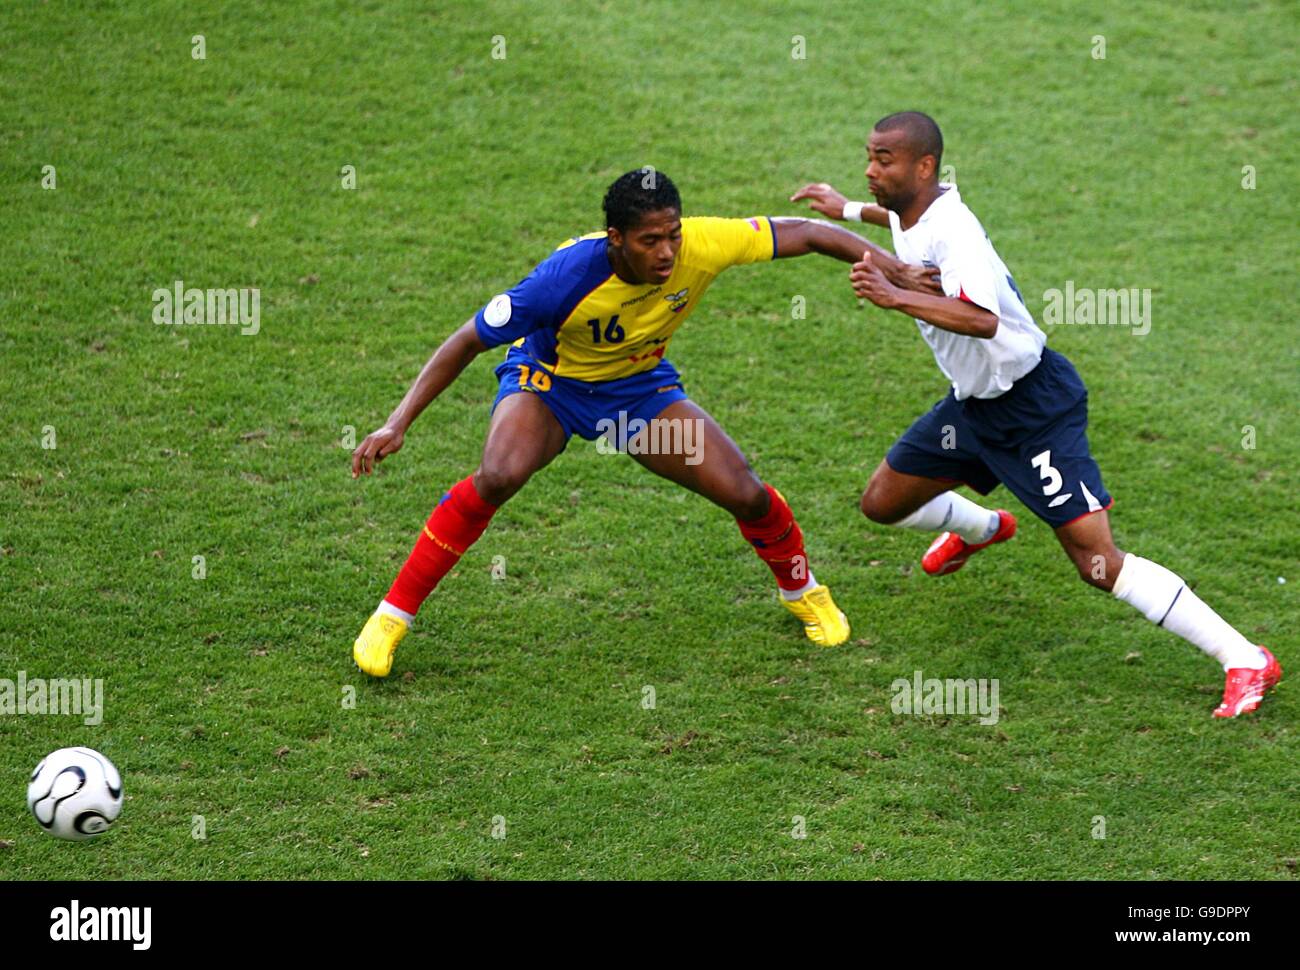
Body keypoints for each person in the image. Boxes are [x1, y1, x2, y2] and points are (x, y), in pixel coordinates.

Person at [349, 168, 940, 677]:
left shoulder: (703, 243)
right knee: (499, 475)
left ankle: (803, 591)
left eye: (672, 236)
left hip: (636, 396)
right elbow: (466, 341)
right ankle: (391, 617)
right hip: (551, 386)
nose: (666, 253)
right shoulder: (562, 279)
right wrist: (397, 423)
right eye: (650, 240)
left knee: (745, 492)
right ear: (617, 239)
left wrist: (894, 271)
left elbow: (810, 232)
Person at [791, 112, 1281, 718]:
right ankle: (985, 528)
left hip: (1031, 410)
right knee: (882, 503)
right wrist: (841, 207)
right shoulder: (911, 209)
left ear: (923, 167)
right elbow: (889, 218)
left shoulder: (955, 232)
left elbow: (982, 319)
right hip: (973, 409)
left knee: (1097, 562)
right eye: (868, 156)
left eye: (883, 160)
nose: (870, 169)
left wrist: (896, 297)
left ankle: (1244, 658)